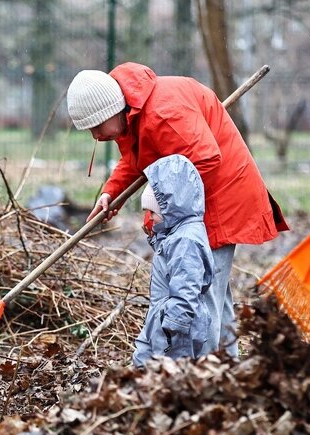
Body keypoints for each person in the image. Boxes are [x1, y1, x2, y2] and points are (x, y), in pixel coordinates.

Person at [66, 62, 288, 357]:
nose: (95, 136)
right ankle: (227, 371)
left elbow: (206, 159)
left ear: (112, 109)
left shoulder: (164, 114)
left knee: (200, 298)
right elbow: (137, 159)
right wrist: (110, 193)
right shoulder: (132, 115)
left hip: (219, 200)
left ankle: (205, 379)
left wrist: (159, 197)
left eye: (96, 126)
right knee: (213, 295)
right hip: (195, 204)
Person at [133, 155, 214, 367]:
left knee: (170, 372)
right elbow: (168, 264)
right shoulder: (174, 234)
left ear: (170, 207)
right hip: (160, 318)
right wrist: (155, 236)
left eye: (152, 212)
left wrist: (174, 324)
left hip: (176, 328)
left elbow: (188, 284)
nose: (148, 218)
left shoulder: (186, 240)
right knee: (141, 364)